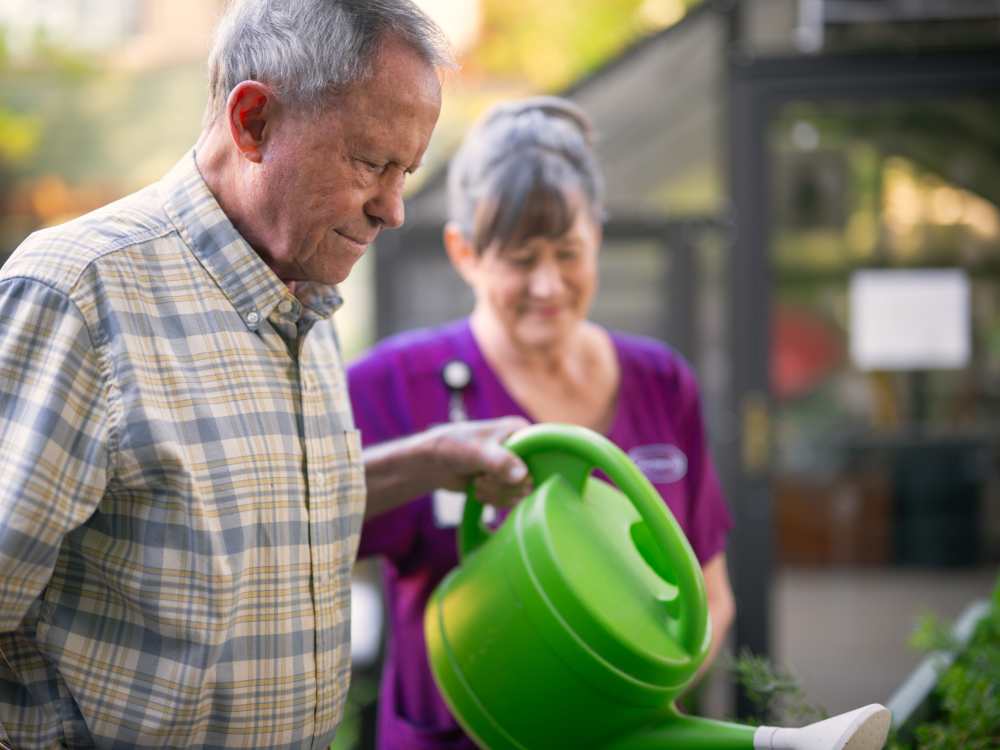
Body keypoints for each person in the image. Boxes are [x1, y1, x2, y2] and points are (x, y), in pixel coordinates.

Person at [0, 2, 531, 748]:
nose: (395, 209)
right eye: (372, 163)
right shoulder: (82, 293)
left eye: (406, 173)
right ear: (253, 121)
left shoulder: (300, 289)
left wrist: (435, 460)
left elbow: (265, 505)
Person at [348, 96, 737, 750]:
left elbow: (709, 593)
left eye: (568, 252)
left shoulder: (662, 383)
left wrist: (625, 707)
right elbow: (301, 533)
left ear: (599, 239)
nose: (549, 285)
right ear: (464, 252)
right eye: (521, 259)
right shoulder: (390, 386)